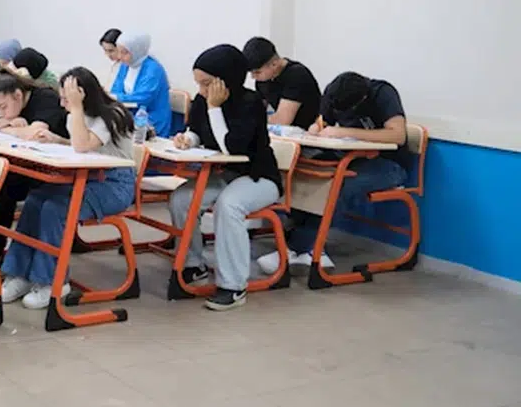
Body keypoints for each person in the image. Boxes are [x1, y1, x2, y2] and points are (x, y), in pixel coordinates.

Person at [1, 67, 136, 309]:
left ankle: (52, 281)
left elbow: (84, 145)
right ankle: (19, 273)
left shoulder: (112, 114)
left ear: (82, 95)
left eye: (67, 98)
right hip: (86, 177)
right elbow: (81, 146)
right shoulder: (74, 114)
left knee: (56, 209)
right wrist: (58, 140)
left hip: (114, 185)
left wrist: (76, 108)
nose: (63, 104)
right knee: (35, 201)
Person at [259, 71, 410, 276]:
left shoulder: (382, 93)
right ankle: (303, 243)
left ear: (361, 100)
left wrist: (343, 132)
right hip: (353, 158)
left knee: (338, 186)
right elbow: (322, 122)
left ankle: (300, 248)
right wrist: (315, 129)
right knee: (310, 176)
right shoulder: (333, 94)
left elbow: (398, 135)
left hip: (389, 165)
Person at [168, 45, 283, 311]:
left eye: (207, 83)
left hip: (259, 177)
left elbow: (232, 146)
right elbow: (198, 130)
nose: (201, 90)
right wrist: (188, 139)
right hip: (227, 174)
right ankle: (193, 264)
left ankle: (233, 286)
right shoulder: (202, 100)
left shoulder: (250, 103)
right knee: (181, 199)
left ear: (226, 79)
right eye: (198, 83)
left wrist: (214, 108)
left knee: (229, 205)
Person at [0, 72, 69, 266]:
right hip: (24, 162)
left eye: (4, 107)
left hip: (53, 169)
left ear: (18, 95)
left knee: (1, 184)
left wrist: (5, 129)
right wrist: (6, 122)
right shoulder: (8, 104)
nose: (1, 112)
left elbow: (34, 134)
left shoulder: (45, 99)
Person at [242, 37, 321, 130]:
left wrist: (253, 119)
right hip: (287, 133)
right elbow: (258, 110)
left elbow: (282, 120)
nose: (253, 77)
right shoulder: (263, 80)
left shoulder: (297, 75)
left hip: (310, 132)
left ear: (274, 64)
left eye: (257, 72)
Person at [110, 32, 172, 137]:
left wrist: (117, 98)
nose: (119, 57)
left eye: (124, 52)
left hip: (152, 120)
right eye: (119, 52)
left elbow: (143, 98)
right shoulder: (126, 66)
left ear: (136, 51)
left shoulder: (153, 69)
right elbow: (116, 88)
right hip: (131, 117)